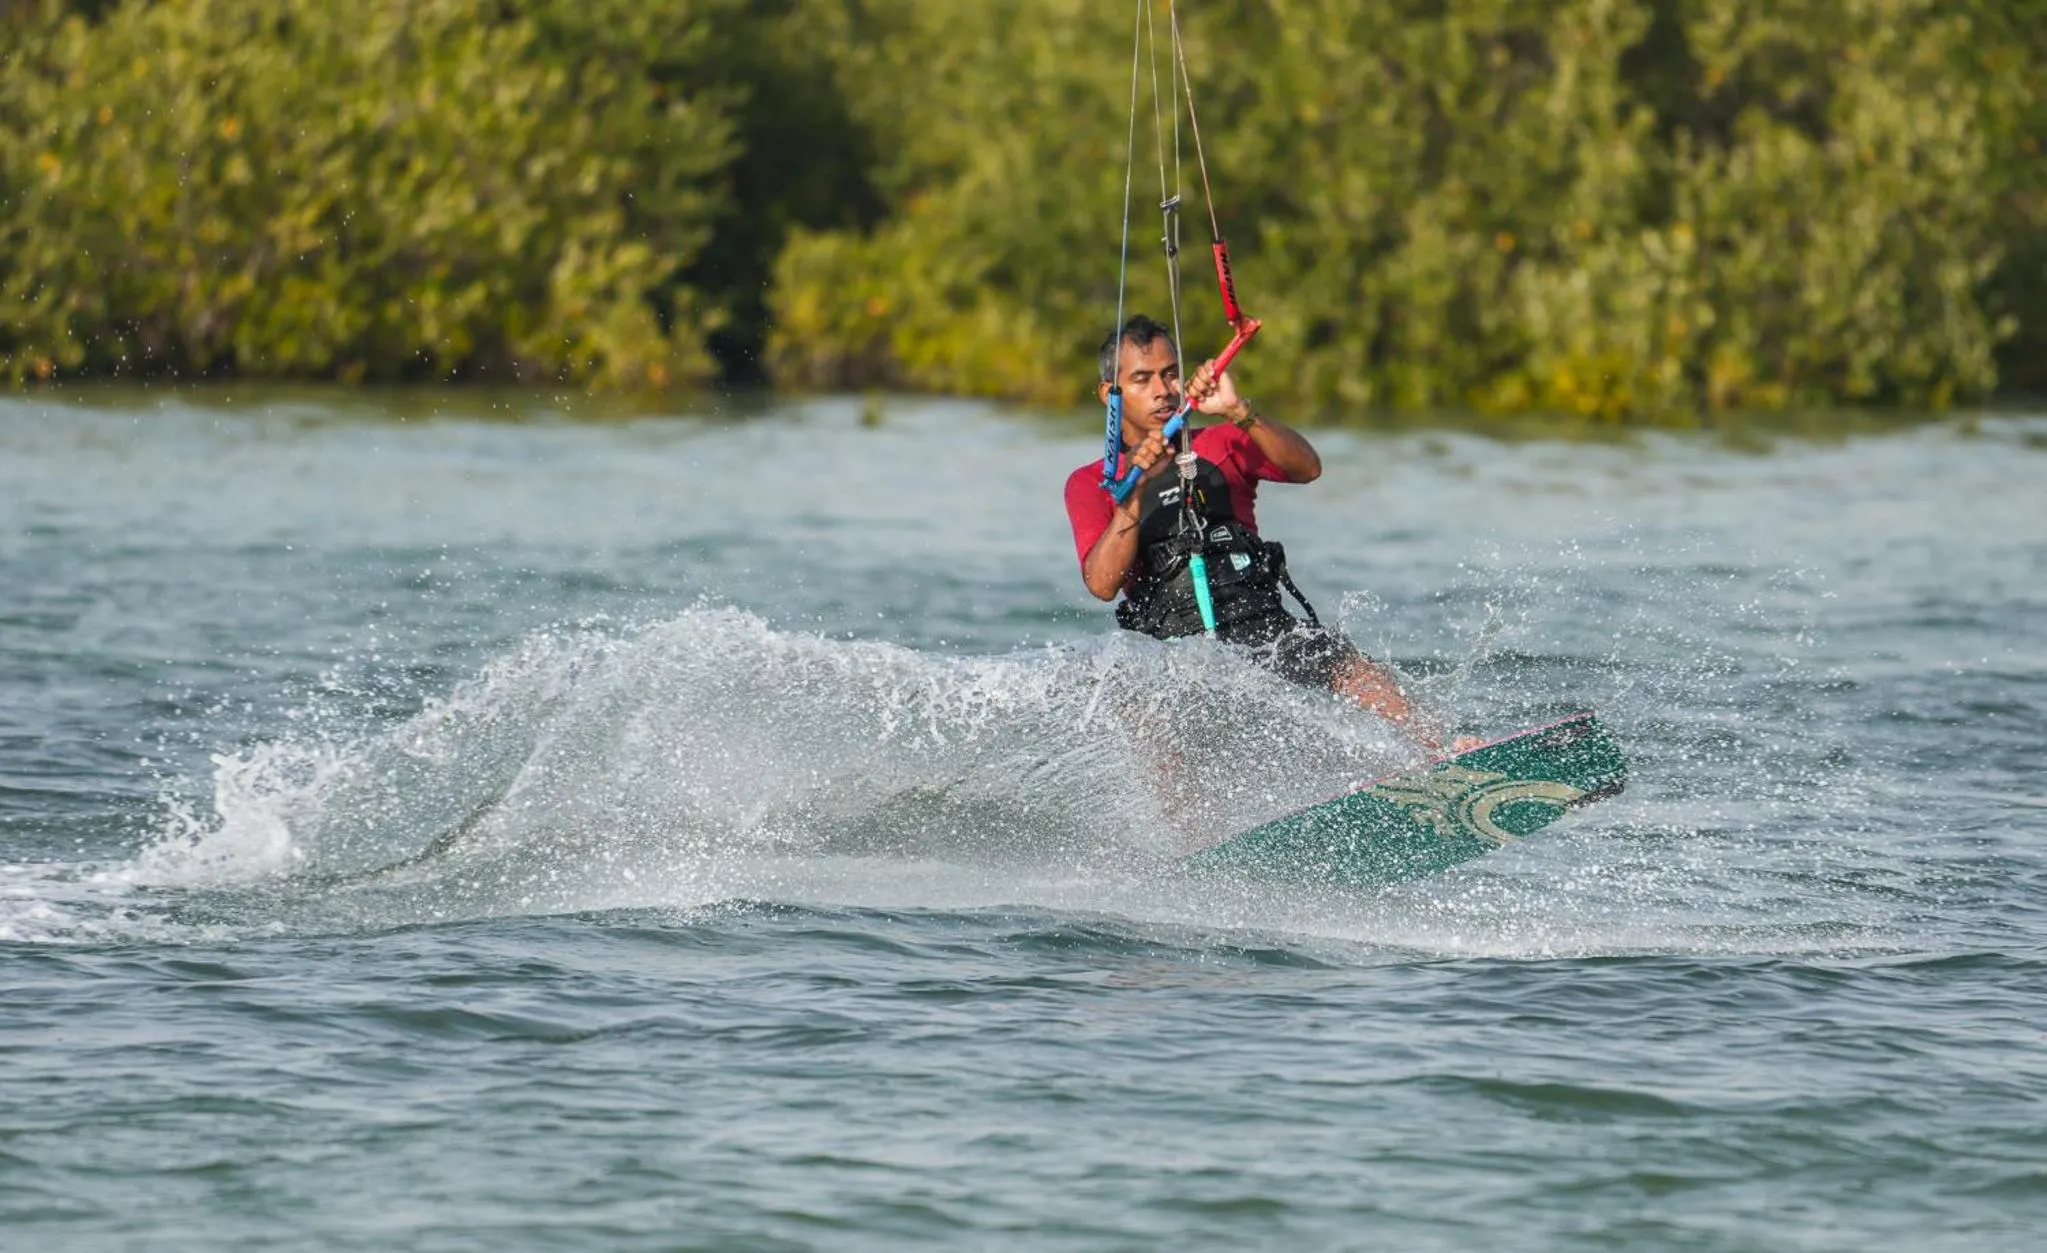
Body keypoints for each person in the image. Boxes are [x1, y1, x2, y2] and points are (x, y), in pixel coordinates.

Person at [1064, 313, 1464, 752]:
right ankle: (1187, 824)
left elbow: (1308, 468)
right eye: (1143, 379)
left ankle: (1443, 750)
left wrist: (1239, 412)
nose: (1162, 390)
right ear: (1111, 395)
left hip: (1264, 634)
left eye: (1171, 374)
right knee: (1148, 710)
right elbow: (1102, 585)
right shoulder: (1092, 483)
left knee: (1342, 659)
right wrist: (1132, 497)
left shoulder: (1222, 444)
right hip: (1175, 656)